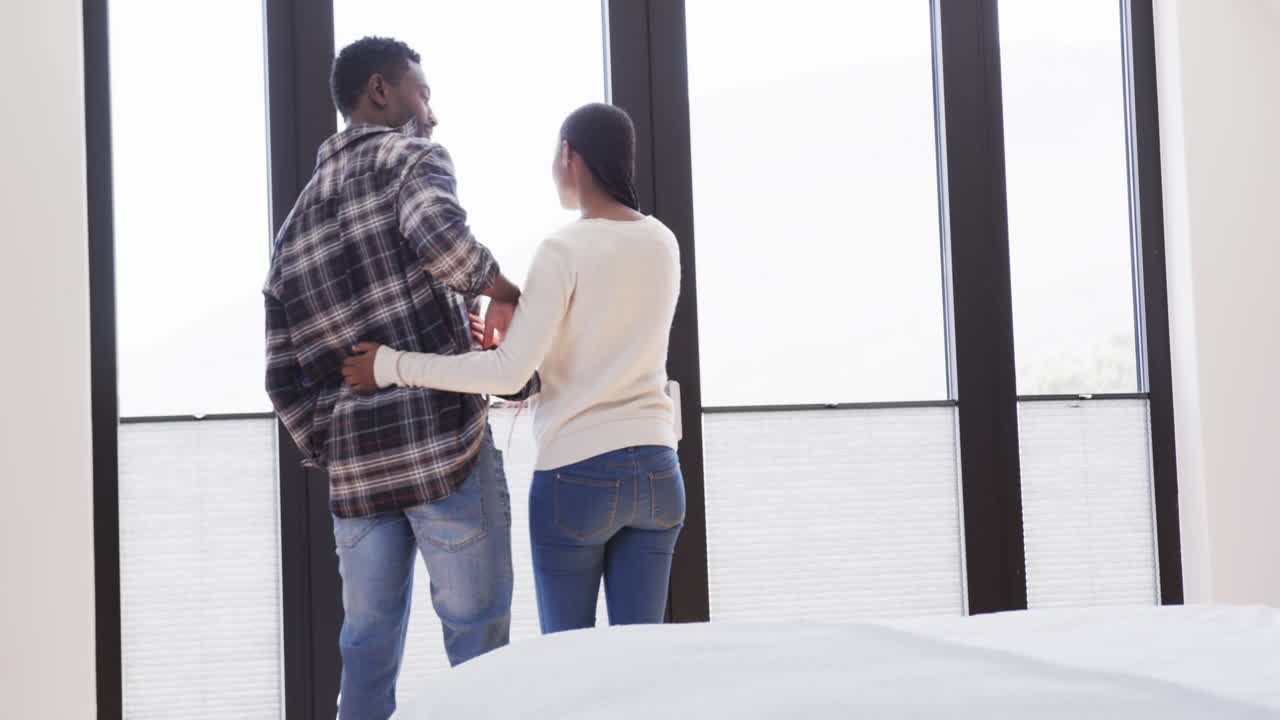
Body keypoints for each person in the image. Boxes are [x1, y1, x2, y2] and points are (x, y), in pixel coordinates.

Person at [264, 36, 534, 720]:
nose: (432, 113)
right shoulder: (411, 158)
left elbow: (282, 372)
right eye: (424, 92)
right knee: (480, 652)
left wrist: (335, 446)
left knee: (367, 650)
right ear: (381, 91)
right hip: (443, 449)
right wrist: (507, 292)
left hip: (359, 478)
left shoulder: (293, 226)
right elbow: (445, 245)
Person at [343, 102, 686, 634]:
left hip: (580, 475)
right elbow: (602, 352)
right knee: (637, 664)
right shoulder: (662, 241)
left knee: (567, 662)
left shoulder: (563, 247)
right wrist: (520, 351)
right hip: (661, 473)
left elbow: (506, 376)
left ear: (569, 156)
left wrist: (391, 365)